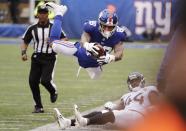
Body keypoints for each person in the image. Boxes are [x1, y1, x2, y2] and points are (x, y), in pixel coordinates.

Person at [45, 2, 127, 79]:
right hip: (80, 52)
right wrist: (87, 45)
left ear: (115, 26)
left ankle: (93, 66)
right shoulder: (92, 26)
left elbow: (119, 53)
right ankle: (59, 12)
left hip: (96, 64)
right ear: (99, 23)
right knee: (54, 44)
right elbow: (84, 37)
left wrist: (111, 57)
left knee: (95, 77)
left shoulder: (119, 34)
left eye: (110, 27)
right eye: (104, 26)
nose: (107, 29)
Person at [53, 72, 159, 130]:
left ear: (143, 82)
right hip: (128, 117)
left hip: (140, 118)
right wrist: (111, 105)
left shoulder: (150, 89)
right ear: (129, 84)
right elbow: (116, 107)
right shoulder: (127, 95)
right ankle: (67, 122)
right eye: (133, 82)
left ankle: (85, 121)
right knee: (102, 113)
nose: (135, 83)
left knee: (110, 114)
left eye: (137, 81)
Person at [20, 5, 67, 113]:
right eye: (40, 13)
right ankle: (38, 106)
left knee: (45, 80)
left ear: (47, 14)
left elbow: (64, 38)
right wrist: (23, 52)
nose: (42, 15)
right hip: (37, 57)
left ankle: (53, 91)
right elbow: (25, 41)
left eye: (44, 13)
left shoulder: (54, 27)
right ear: (37, 15)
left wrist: (55, 42)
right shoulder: (32, 28)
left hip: (50, 57)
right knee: (32, 81)